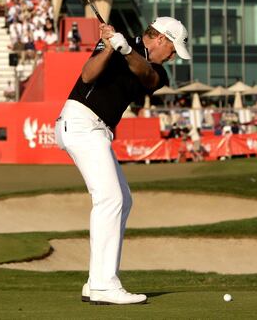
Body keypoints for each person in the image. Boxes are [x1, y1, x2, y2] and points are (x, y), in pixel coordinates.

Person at [54, 16, 190, 305]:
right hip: (80, 123)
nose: (173, 55)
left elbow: (148, 76)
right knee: (110, 200)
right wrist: (107, 48)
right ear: (161, 39)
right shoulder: (116, 45)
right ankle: (105, 284)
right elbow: (88, 76)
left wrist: (125, 50)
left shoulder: (155, 69)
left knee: (123, 199)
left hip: (98, 130)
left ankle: (95, 282)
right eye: (173, 49)